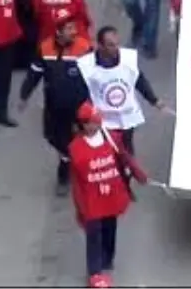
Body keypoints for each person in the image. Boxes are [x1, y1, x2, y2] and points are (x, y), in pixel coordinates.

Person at [68, 102, 148, 286]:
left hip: (111, 194)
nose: (95, 126)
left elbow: (124, 157)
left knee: (110, 228)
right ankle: (95, 271)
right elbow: (77, 182)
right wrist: (80, 207)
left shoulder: (111, 138)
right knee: (93, 233)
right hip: (91, 199)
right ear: (83, 124)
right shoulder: (76, 148)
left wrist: (139, 174)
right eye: (91, 122)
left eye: (97, 122)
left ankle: (107, 258)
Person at [17, 18, 93, 196]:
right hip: (54, 108)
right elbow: (34, 73)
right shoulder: (45, 49)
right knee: (53, 138)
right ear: (58, 31)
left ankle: (68, 176)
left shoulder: (84, 48)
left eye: (74, 27)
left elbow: (96, 76)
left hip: (80, 107)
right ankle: (68, 159)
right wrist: (24, 96)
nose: (74, 31)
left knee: (80, 143)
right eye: (69, 28)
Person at [75, 26, 173, 156]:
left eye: (117, 44)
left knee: (127, 149)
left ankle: (128, 172)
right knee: (107, 150)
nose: (116, 48)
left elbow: (139, 80)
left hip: (127, 116)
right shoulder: (87, 66)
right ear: (100, 45)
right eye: (110, 45)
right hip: (104, 119)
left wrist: (154, 100)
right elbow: (81, 93)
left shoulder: (128, 59)